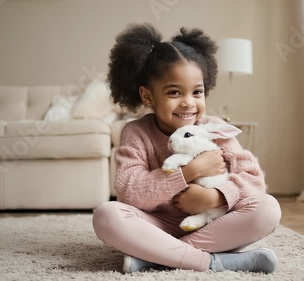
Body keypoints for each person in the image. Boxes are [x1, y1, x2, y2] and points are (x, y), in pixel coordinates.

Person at [92, 23, 281, 274]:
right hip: (155, 226)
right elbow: (130, 192)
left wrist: (214, 197)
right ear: (148, 96)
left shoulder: (214, 128)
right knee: (107, 215)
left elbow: (253, 181)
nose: (188, 103)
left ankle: (160, 257)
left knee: (268, 209)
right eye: (174, 92)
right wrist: (188, 172)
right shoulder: (135, 132)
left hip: (211, 224)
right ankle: (211, 262)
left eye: (197, 92)